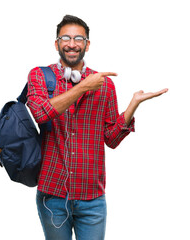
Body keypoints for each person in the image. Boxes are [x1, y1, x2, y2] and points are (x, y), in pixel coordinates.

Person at [27, 15, 168, 240]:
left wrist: (132, 105)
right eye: (65, 37)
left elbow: (111, 140)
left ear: (87, 44)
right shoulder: (39, 76)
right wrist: (83, 87)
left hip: (92, 198)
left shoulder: (104, 85)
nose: (71, 43)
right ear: (56, 44)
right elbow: (41, 112)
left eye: (78, 38)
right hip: (52, 196)